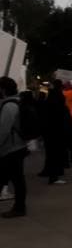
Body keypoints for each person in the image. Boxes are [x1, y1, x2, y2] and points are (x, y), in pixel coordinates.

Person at [0, 77, 28, 218]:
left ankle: (19, 208)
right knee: (17, 179)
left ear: (3, 89)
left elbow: (3, 131)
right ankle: (19, 207)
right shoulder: (17, 102)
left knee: (16, 180)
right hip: (18, 146)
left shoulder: (9, 106)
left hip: (11, 148)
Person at [42, 86, 71, 184]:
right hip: (59, 135)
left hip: (48, 134)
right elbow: (67, 120)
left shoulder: (46, 105)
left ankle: (52, 174)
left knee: (51, 156)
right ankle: (54, 176)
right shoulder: (61, 106)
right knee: (56, 156)